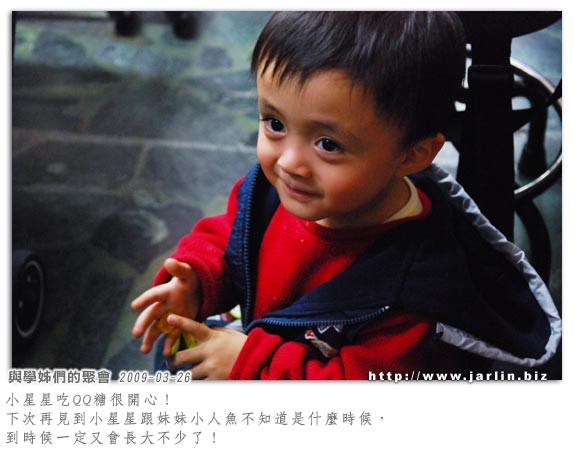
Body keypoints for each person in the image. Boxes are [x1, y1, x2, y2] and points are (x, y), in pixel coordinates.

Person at [131, 12, 561, 380]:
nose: (289, 163)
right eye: (275, 123)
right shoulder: (279, 189)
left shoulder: (412, 298)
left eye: (328, 145)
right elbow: (232, 238)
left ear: (413, 154)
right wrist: (196, 281)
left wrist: (251, 364)